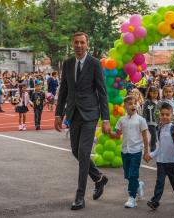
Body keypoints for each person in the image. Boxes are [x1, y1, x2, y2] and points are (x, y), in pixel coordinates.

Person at [54, 32, 110, 210]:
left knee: (84, 152)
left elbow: (102, 91)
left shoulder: (95, 64)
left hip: (91, 114)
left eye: (82, 42)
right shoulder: (68, 64)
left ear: (87, 44)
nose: (79, 45)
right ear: (73, 44)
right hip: (73, 114)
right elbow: (64, 90)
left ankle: (79, 195)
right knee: (76, 152)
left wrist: (105, 119)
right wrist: (58, 114)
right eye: (76, 42)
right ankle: (99, 178)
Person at [109, 95, 149, 208]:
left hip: (136, 151)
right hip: (125, 151)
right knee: (128, 175)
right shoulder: (122, 120)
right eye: (130, 103)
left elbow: (145, 138)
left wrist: (146, 152)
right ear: (125, 106)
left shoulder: (141, 120)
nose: (133, 105)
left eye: (135, 103)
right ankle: (138, 185)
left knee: (133, 175)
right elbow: (117, 134)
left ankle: (132, 198)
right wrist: (108, 132)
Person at [147, 102, 174, 210]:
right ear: (159, 115)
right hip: (161, 161)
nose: (165, 117)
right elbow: (159, 148)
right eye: (162, 114)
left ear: (172, 116)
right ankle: (155, 201)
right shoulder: (159, 130)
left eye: (167, 114)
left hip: (173, 161)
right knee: (160, 182)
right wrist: (151, 155)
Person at [143, 86, 159, 152]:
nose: (155, 95)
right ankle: (153, 150)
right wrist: (145, 122)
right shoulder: (147, 102)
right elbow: (145, 113)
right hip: (150, 122)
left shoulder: (158, 102)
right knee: (154, 135)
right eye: (153, 93)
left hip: (157, 122)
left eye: (156, 93)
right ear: (150, 93)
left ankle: (151, 143)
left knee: (156, 136)